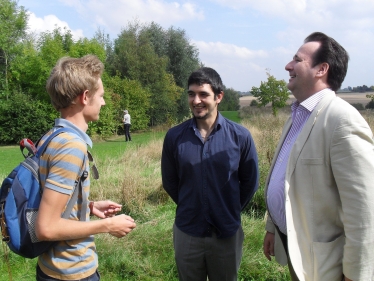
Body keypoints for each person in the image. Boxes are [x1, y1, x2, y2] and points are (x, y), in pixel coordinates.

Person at [263, 32, 374, 281]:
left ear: (321, 69)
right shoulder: (296, 117)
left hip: (326, 267)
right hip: (298, 251)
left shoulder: (342, 120)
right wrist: (272, 227)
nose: (287, 66)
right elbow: (286, 177)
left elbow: (365, 210)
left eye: (297, 60)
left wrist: (356, 275)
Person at [35, 55, 136, 281]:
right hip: (71, 271)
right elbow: (46, 227)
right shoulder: (71, 146)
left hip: (51, 267)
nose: (104, 102)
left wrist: (87, 206)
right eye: (100, 96)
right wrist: (108, 225)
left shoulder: (52, 137)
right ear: (85, 97)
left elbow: (52, 203)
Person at [161, 67, 259, 281]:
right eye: (191, 94)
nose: (196, 100)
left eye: (203, 94)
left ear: (219, 96)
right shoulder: (174, 137)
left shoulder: (240, 137)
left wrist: (227, 208)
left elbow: (250, 183)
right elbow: (170, 182)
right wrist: (191, 204)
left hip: (226, 234)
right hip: (187, 232)